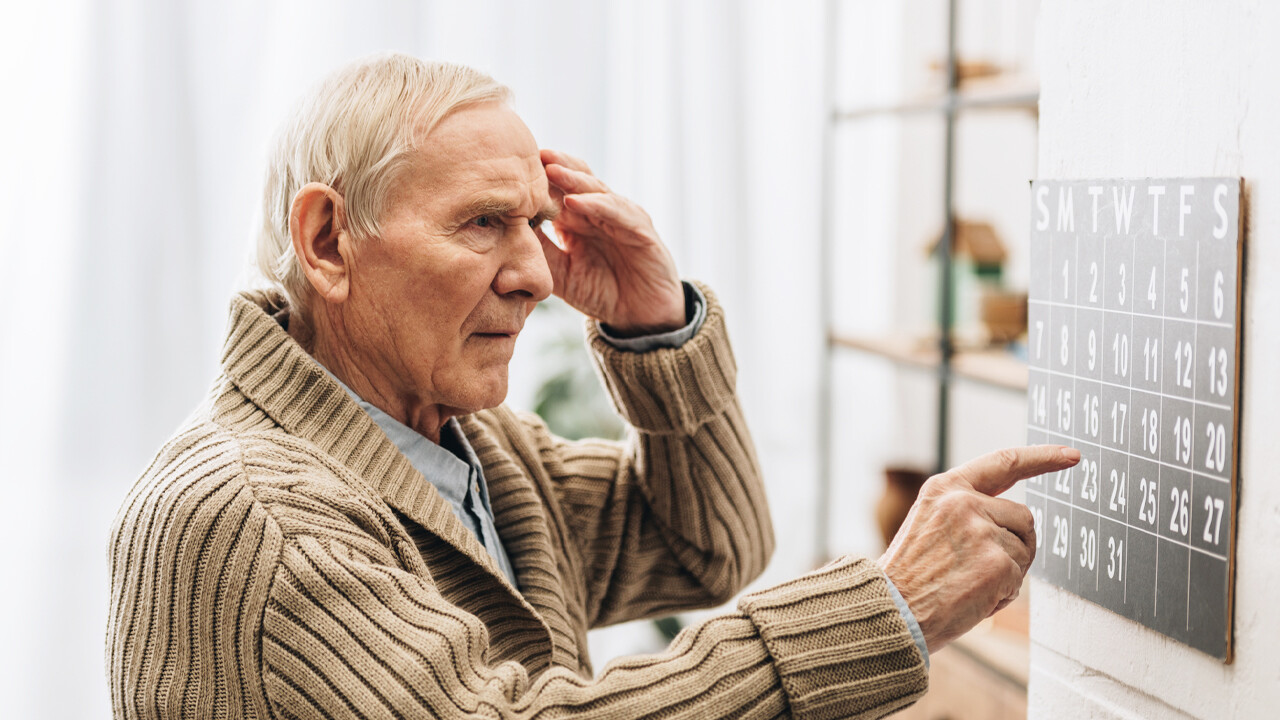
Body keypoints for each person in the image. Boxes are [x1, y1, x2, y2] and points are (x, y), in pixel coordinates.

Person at [106, 54, 1078, 720]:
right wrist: (888, 609)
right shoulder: (247, 511)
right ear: (327, 242)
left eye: (535, 221)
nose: (534, 272)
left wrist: (656, 328)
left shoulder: (472, 454)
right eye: (483, 223)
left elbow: (709, 546)